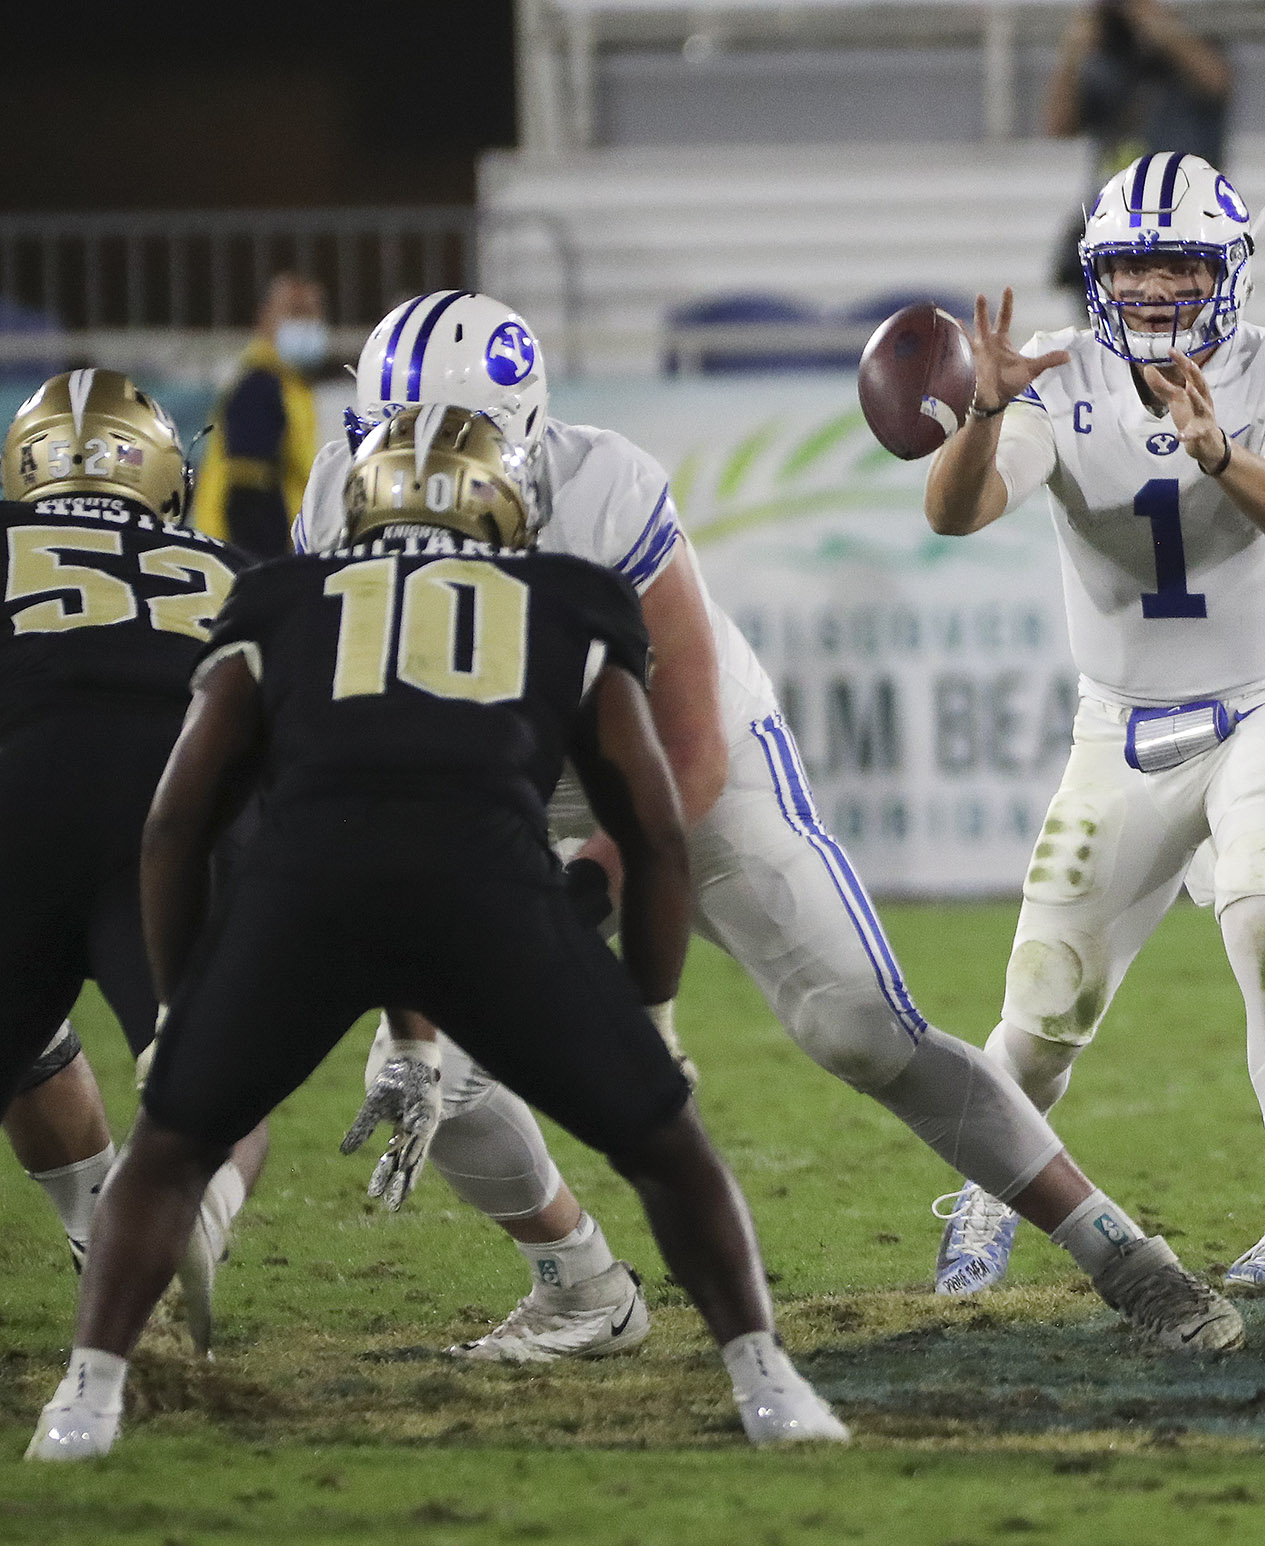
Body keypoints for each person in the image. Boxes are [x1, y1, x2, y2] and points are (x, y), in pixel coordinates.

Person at [303, 292, 1241, 1361]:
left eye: (451, 441)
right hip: (497, 787)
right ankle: (581, 1291)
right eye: (393, 439)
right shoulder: (337, 504)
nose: (417, 471)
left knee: (861, 1028)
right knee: (431, 1074)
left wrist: (581, 923)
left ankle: (1123, 1253)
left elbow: (687, 751)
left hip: (684, 758)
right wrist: (415, 1009)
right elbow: (373, 769)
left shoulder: (603, 491)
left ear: (521, 436)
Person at [26, 405, 852, 1460]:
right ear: (508, 504)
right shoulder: (568, 599)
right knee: (665, 1143)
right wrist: (650, 1013)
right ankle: (765, 1382)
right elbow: (651, 829)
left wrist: (184, 1002)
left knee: (176, 1146)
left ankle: (85, 1402)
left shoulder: (280, 596)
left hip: (305, 895)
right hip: (487, 895)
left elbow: (179, 817)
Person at [922, 152, 1265, 1297]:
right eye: (1133, 263)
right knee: (1041, 1012)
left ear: (1230, 270)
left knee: (1263, 919)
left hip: (1264, 711)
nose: (1157, 287)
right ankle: (982, 1199)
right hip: (1118, 733)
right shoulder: (1057, 379)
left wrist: (1217, 448)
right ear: (1098, 271)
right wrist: (984, 407)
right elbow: (957, 511)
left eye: (1180, 262)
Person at [0, 369, 261, 1346]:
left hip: (21, 798)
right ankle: (189, 1214)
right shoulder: (236, 566)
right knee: (220, 1074)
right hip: (180, 821)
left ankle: (98, 1235)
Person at [1042, 0, 1232, 290]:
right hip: (1117, 219)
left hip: (1184, 216)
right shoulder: (1106, 61)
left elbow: (1215, 80)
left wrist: (1155, 25)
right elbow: (1059, 125)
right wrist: (1072, 51)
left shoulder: (1195, 51)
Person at [192, 273, 328, 558]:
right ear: (264, 318)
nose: (307, 322)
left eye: (313, 312)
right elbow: (249, 493)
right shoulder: (259, 386)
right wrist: (265, 569)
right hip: (241, 556)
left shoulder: (288, 384)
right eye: (295, 311)